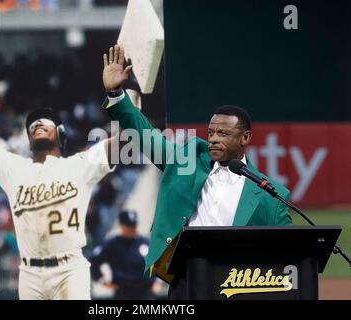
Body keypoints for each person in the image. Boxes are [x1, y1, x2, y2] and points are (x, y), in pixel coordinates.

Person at [100, 44, 293, 299]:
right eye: (211, 132)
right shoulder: (187, 161)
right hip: (187, 280)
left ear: (245, 138)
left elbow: (287, 255)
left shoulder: (271, 194)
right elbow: (145, 136)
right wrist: (116, 93)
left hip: (239, 285)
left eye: (223, 134)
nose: (213, 139)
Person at [0, 62, 116, 300]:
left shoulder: (80, 164)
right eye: (32, 124)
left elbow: (125, 141)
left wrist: (120, 93)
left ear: (61, 136)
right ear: (29, 142)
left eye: (46, 121)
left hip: (69, 269)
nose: (38, 123)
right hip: (30, 273)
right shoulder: (13, 167)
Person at [90, 210, 154, 300]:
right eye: (128, 227)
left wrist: (157, 281)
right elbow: (93, 263)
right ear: (121, 226)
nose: (132, 229)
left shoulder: (145, 242)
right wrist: (102, 281)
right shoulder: (111, 244)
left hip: (146, 292)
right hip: (123, 293)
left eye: (134, 226)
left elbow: (157, 262)